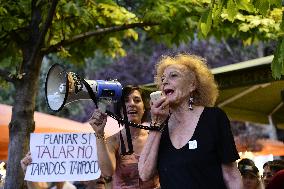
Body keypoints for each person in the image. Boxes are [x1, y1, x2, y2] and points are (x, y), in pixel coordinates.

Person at [138, 53, 243, 189]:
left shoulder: (214, 118)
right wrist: (157, 123)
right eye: (162, 78)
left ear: (192, 85)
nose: (164, 82)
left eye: (173, 75)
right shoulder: (160, 125)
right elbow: (145, 174)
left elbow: (231, 175)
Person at [89, 86, 160, 189]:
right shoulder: (113, 141)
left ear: (144, 108)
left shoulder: (155, 136)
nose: (131, 104)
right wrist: (99, 133)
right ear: (120, 110)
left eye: (137, 100)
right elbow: (107, 172)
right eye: (126, 101)